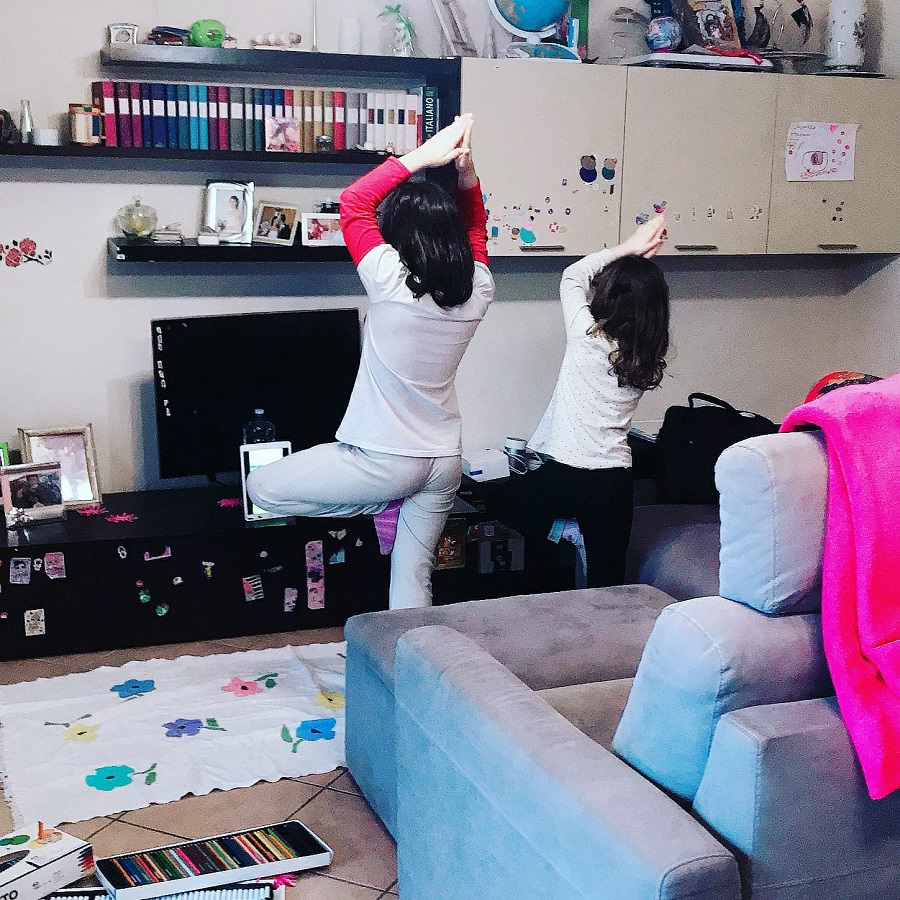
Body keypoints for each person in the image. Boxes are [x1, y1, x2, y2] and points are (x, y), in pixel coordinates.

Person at [247, 113, 493, 609]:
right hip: (444, 461)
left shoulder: (390, 279)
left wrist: (421, 157)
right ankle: (414, 657)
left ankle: (380, 502)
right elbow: (476, 229)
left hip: (386, 462)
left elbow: (354, 202)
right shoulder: (479, 289)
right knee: (412, 575)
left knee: (262, 488)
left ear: (397, 232)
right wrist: (466, 177)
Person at [491, 215, 669, 589]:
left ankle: (566, 531)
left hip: (567, 473)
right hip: (614, 481)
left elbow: (573, 275)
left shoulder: (587, 336)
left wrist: (628, 247)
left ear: (607, 297)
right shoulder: (645, 355)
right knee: (608, 584)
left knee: (497, 499)